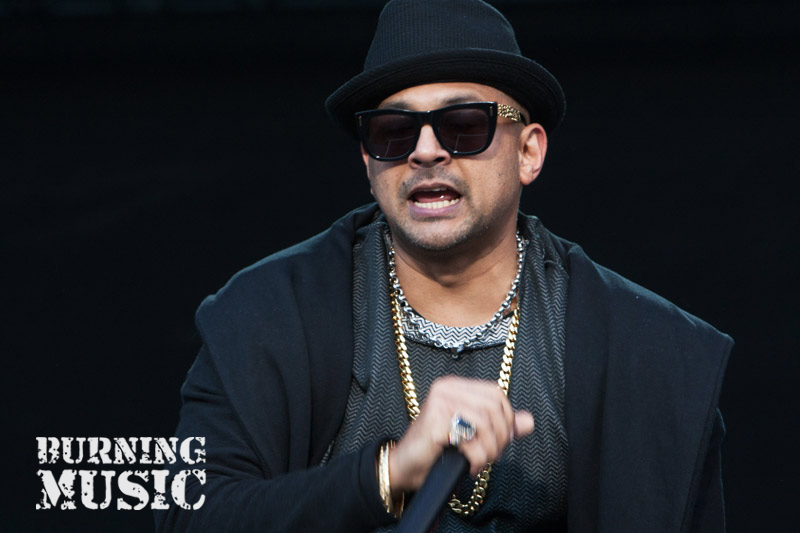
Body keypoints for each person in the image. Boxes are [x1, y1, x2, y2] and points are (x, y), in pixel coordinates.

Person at [155, 0, 732, 531]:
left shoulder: (652, 351)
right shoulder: (263, 317)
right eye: (393, 131)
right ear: (368, 162)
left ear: (528, 151)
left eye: (464, 125)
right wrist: (387, 473)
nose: (425, 150)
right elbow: (184, 515)